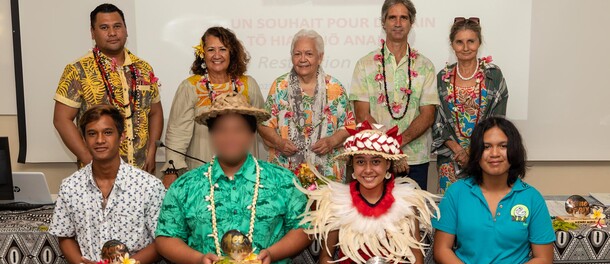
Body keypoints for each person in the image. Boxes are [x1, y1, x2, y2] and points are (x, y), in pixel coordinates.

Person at [155, 93, 310, 264]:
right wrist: (198, 260)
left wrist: (271, 254)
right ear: (211, 134)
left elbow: (303, 228)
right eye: (221, 130)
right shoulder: (186, 185)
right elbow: (166, 238)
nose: (230, 137)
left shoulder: (282, 180)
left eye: (238, 129)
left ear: (251, 134)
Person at [300, 121, 438, 264]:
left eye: (376, 162)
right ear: (352, 168)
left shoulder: (405, 205)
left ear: (387, 167)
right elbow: (325, 258)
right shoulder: (337, 203)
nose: (368, 169)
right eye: (360, 162)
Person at [49, 105, 166, 264]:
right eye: (92, 133)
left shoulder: (149, 186)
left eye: (108, 132)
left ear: (121, 136)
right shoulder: (70, 186)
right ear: (84, 138)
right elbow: (65, 235)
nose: (100, 140)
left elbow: (162, 242)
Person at [433, 117, 554, 264]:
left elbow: (544, 260)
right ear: (477, 152)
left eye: (503, 146)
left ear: (514, 150)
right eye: (487, 146)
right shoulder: (457, 193)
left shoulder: (531, 198)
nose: (494, 153)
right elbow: (441, 250)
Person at [53, 3, 163, 173]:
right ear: (93, 32)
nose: (112, 33)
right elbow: (61, 120)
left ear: (126, 29)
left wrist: (152, 152)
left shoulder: (143, 68)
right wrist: (88, 159)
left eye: (117, 26)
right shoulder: (77, 70)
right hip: (98, 173)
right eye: (104, 27)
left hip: (140, 172)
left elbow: (155, 112)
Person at [349, 0, 440, 190]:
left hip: (415, 160)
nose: (398, 23)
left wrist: (398, 144)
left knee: (413, 216)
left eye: (403, 18)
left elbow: (428, 115)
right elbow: (362, 114)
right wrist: (390, 150)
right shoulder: (365, 65)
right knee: (377, 216)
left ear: (411, 22)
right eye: (392, 17)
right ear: (383, 22)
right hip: (374, 160)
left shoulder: (425, 66)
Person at [161, 26, 264, 188]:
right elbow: (177, 133)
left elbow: (262, 125)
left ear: (232, 53)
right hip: (203, 174)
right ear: (203, 54)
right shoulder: (190, 87)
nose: (217, 55)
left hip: (245, 175)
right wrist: (171, 171)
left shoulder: (248, 85)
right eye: (211, 49)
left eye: (223, 49)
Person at [258, 29, 355, 182]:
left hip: (328, 175)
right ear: (292, 57)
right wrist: (280, 142)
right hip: (285, 173)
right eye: (297, 54)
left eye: (309, 54)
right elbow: (263, 125)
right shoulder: (279, 86)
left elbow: (349, 127)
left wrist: (331, 142)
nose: (303, 59)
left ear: (320, 57)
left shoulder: (336, 88)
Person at [432, 17, 509, 193]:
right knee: (451, 211)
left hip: (486, 157)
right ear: (452, 44)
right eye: (459, 42)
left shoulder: (493, 76)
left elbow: (498, 121)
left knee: (483, 210)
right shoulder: (442, 78)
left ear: (479, 43)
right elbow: (436, 123)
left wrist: (474, 152)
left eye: (471, 41)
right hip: (451, 159)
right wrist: (459, 150)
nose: (465, 48)